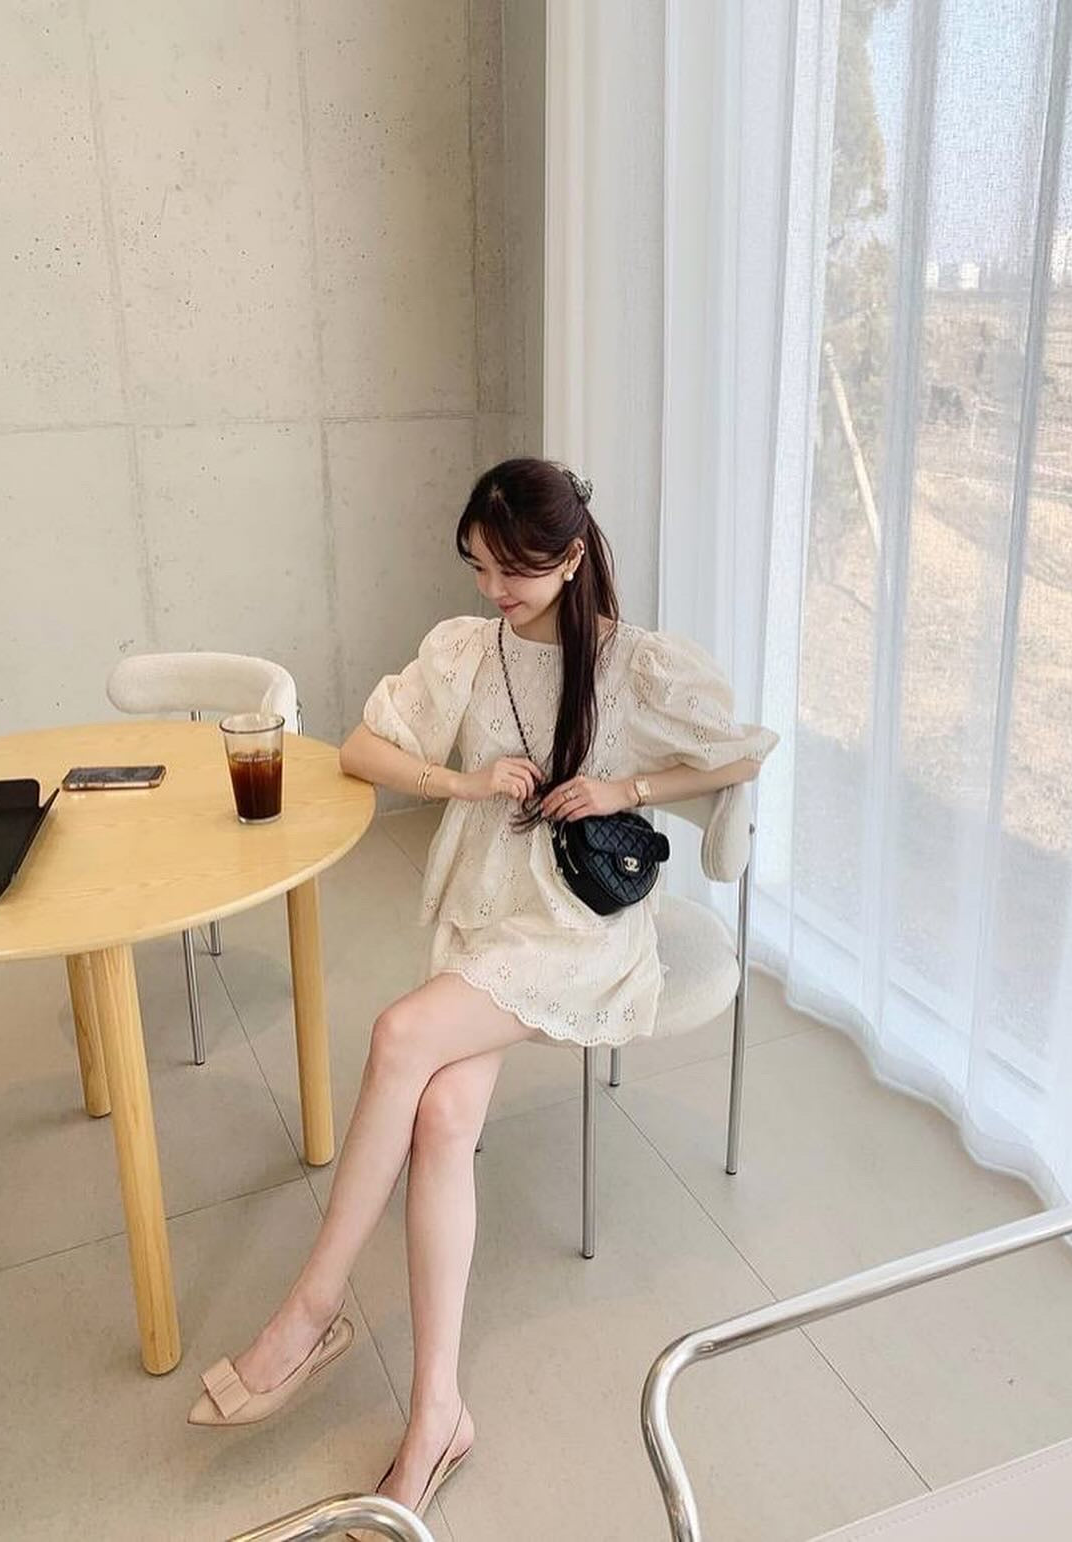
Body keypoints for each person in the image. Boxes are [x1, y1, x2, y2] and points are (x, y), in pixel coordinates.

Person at [185, 457, 779, 1526]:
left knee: (399, 1034)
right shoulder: (466, 649)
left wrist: (627, 785)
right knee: (446, 1115)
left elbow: (742, 756)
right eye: (478, 566)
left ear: (573, 556)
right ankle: (438, 1419)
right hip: (484, 910)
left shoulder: (634, 665)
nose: (492, 589)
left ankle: (310, 1310)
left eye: (514, 570)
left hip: (577, 931)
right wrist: (465, 780)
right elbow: (361, 750)